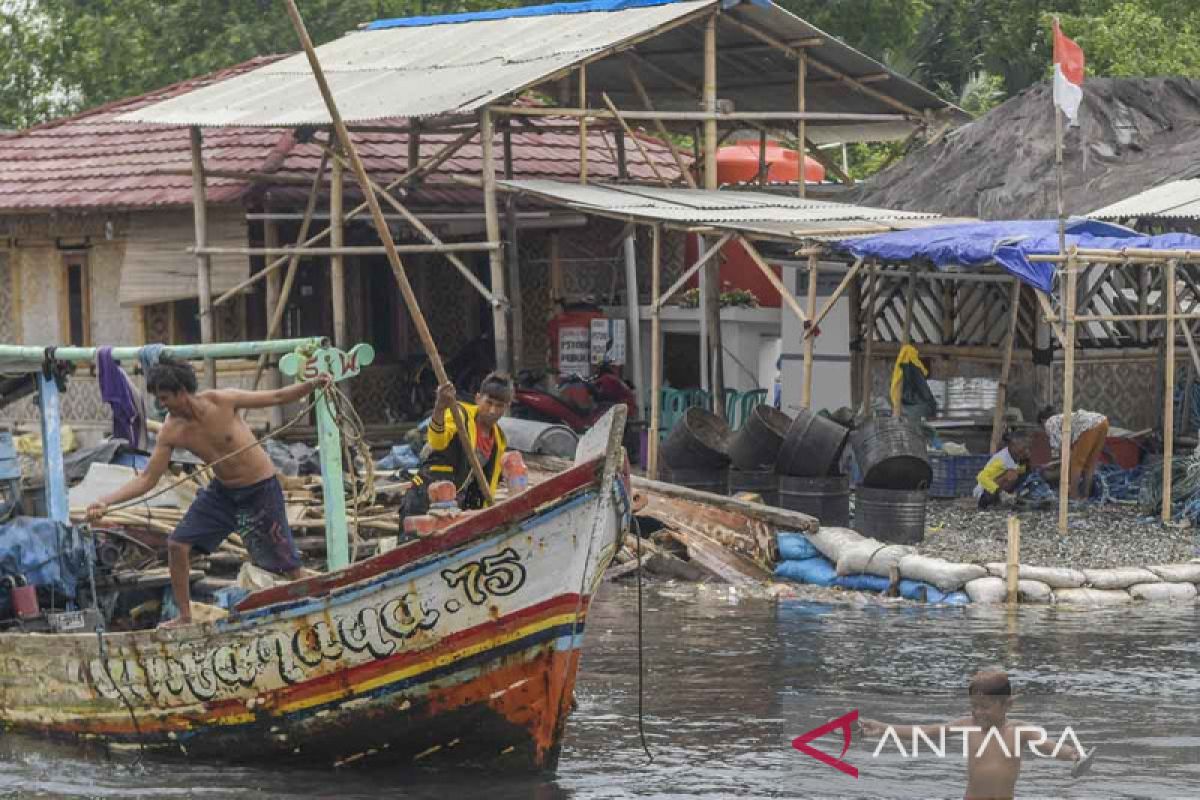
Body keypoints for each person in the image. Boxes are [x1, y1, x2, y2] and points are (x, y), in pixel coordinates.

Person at [85, 355, 328, 627]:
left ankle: (319, 609)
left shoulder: (223, 400)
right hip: (223, 493)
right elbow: (147, 479)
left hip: (260, 490)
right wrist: (105, 501)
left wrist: (314, 384)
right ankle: (185, 616)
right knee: (177, 545)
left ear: (182, 391)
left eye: (165, 398)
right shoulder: (171, 430)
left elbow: (277, 396)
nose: (161, 404)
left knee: (286, 562)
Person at [859, 670, 1090, 800]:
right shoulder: (968, 726)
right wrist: (884, 728)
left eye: (985, 706)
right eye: (974, 705)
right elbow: (927, 732)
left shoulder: (1019, 731)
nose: (978, 712)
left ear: (1007, 705)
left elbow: (1050, 747)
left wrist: (1073, 754)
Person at [400, 372, 513, 521]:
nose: (492, 410)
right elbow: (436, 441)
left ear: (507, 407)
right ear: (478, 398)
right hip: (425, 497)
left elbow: (488, 484)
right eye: (489, 402)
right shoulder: (459, 414)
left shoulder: (499, 440)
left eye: (499, 406)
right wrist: (440, 407)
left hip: (455, 508)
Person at [1038, 407, 1109, 500]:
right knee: (1090, 464)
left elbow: (1060, 448)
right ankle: (1085, 495)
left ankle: (1073, 496)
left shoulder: (1050, 422)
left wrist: (1052, 465)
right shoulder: (1063, 419)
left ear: (1042, 420)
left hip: (1089, 425)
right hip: (1103, 422)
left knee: (1076, 464)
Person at [974, 432, 1031, 510]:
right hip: (985, 492)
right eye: (1023, 448)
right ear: (1013, 446)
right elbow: (981, 477)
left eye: (1027, 448)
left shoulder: (1016, 457)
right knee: (1012, 474)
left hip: (1000, 489)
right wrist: (1000, 492)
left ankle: (1012, 499)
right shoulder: (1001, 459)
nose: (1026, 451)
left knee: (1023, 473)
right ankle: (992, 502)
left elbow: (1022, 471)